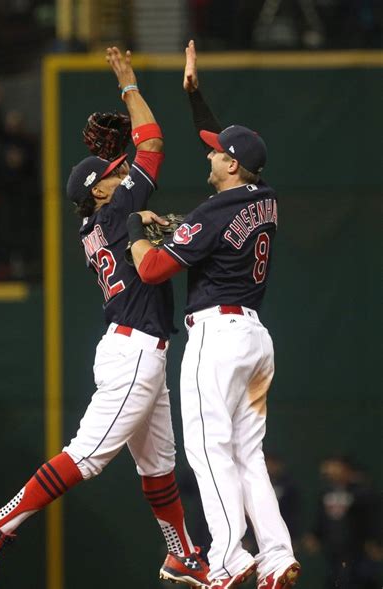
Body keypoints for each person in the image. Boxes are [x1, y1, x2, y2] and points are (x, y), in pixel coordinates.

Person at [0, 47, 209, 587]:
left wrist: (130, 200)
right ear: (100, 189)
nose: (121, 170)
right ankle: (0, 520)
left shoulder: (96, 223)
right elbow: (151, 143)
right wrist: (128, 84)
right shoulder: (118, 208)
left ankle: (183, 553)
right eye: (113, 173)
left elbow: (127, 175)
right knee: (89, 455)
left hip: (136, 345)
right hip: (134, 352)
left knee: (159, 467)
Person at [124, 40, 300, 589]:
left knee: (206, 450)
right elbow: (226, 150)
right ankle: (275, 556)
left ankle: (227, 557)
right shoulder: (262, 196)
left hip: (217, 338)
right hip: (255, 340)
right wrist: (197, 100)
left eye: (215, 152)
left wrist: (134, 225)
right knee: (248, 455)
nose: (207, 154)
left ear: (230, 165)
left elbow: (152, 270)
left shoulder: (215, 210)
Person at [303, 455, 382, 589]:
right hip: (333, 551)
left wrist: (377, 541)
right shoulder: (326, 492)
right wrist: (315, 535)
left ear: (346, 469)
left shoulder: (362, 491)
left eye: (335, 466)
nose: (330, 470)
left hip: (359, 551)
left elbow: (374, 517)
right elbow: (321, 519)